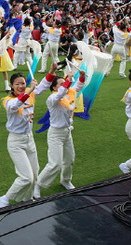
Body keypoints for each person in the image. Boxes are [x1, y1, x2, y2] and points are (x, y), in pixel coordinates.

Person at [33, 62, 86, 198]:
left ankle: (65, 180)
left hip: (67, 132)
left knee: (70, 159)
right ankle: (37, 185)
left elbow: (78, 87)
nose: (65, 86)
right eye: (61, 84)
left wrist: (82, 77)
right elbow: (59, 95)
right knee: (55, 163)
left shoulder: (69, 94)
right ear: (54, 88)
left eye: (65, 83)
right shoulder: (52, 99)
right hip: (55, 134)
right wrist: (67, 81)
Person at [0, 72, 39, 208]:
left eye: (23, 83)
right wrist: (30, 90)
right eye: (17, 84)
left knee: (35, 173)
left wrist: (51, 71)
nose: (21, 86)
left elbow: (44, 86)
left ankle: (27, 198)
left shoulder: (30, 95)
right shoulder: (9, 101)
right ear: (11, 85)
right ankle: (5, 198)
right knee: (26, 177)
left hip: (29, 138)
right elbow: (15, 106)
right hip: (16, 142)